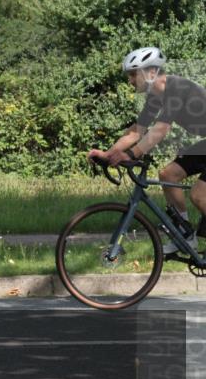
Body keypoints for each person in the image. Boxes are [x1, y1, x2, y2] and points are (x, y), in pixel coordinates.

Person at [88, 47, 206, 254]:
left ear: (151, 73)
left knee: (199, 194)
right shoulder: (155, 97)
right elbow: (136, 132)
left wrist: (131, 154)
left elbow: (160, 130)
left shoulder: (176, 88)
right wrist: (108, 154)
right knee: (167, 174)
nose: (130, 80)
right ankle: (186, 236)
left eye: (133, 74)